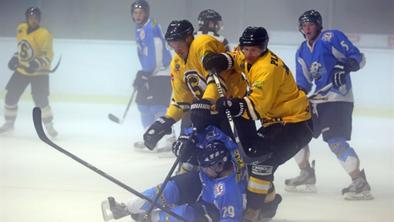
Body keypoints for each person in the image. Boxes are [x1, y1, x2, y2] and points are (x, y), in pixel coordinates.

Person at [199, 26, 313, 221]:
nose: (249, 54)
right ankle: (268, 207)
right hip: (277, 122)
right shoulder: (248, 54)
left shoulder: (267, 68)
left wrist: (231, 104)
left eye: (254, 50)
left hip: (295, 124)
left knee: (261, 162)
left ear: (263, 48)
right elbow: (236, 57)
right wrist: (220, 60)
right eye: (246, 49)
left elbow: (256, 108)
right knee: (253, 160)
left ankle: (253, 213)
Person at [284, 9, 373, 201]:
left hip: (337, 98)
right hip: (317, 100)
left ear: (318, 25)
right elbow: (304, 83)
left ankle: (359, 181)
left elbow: (358, 57)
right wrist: (292, 97)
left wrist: (345, 65)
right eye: (304, 26)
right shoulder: (301, 50)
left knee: (335, 141)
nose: (307, 29)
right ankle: (306, 172)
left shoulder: (330, 37)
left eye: (311, 25)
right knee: (294, 133)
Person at [101, 126, 247, 222]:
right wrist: (186, 140)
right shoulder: (213, 163)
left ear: (220, 165)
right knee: (169, 188)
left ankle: (151, 218)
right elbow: (200, 130)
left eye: (206, 166)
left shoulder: (229, 190)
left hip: (210, 205)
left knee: (183, 214)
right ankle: (126, 208)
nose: (202, 167)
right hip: (203, 182)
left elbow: (231, 218)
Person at [142, 19, 245, 154]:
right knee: (188, 150)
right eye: (172, 43)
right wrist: (166, 121)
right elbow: (182, 101)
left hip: (233, 105)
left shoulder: (202, 44)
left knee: (232, 152)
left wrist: (205, 103)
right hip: (209, 109)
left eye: (179, 42)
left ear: (189, 38)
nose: (176, 47)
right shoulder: (176, 63)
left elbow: (217, 81)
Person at [0, 7, 57, 138]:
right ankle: (9, 123)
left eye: (36, 18)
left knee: (41, 100)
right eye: (31, 18)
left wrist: (36, 63)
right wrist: (15, 58)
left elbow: (48, 55)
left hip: (39, 73)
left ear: (39, 19)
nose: (34, 20)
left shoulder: (45, 34)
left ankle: (49, 125)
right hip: (22, 70)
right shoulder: (21, 28)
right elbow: (22, 48)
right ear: (27, 18)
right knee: (10, 96)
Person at [129, 0, 175, 151]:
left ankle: (170, 139)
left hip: (160, 72)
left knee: (158, 107)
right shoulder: (140, 28)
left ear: (146, 13)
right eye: (135, 13)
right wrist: (144, 73)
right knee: (143, 104)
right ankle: (150, 138)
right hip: (151, 72)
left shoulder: (152, 27)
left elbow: (157, 53)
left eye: (140, 13)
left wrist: (146, 73)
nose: (137, 16)